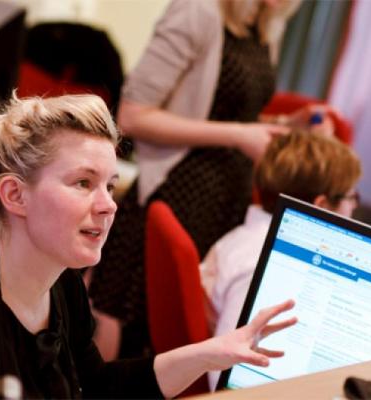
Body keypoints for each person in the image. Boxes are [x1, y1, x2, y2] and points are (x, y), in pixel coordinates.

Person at [0, 94, 297, 398]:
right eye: (83, 183)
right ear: (15, 195)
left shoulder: (63, 286)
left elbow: (95, 387)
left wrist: (210, 354)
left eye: (109, 186)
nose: (108, 205)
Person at [88, 0, 321, 359]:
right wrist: (239, 136)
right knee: (132, 328)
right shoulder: (197, 11)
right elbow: (131, 116)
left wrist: (287, 126)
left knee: (180, 338)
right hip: (178, 191)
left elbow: (230, 110)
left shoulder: (263, 23)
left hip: (228, 200)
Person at [199, 130, 361, 388]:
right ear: (321, 206)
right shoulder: (263, 265)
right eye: (352, 197)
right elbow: (224, 373)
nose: (354, 208)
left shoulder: (245, 238)